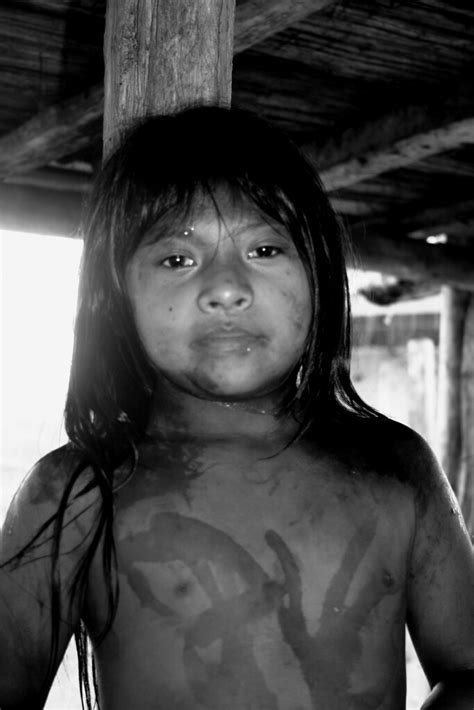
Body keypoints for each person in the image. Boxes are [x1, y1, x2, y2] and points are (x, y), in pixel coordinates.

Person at [1, 105, 473, 710]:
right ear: (117, 297)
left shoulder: (396, 468)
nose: (226, 288)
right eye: (177, 259)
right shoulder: (78, 491)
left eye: (265, 250)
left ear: (320, 272)